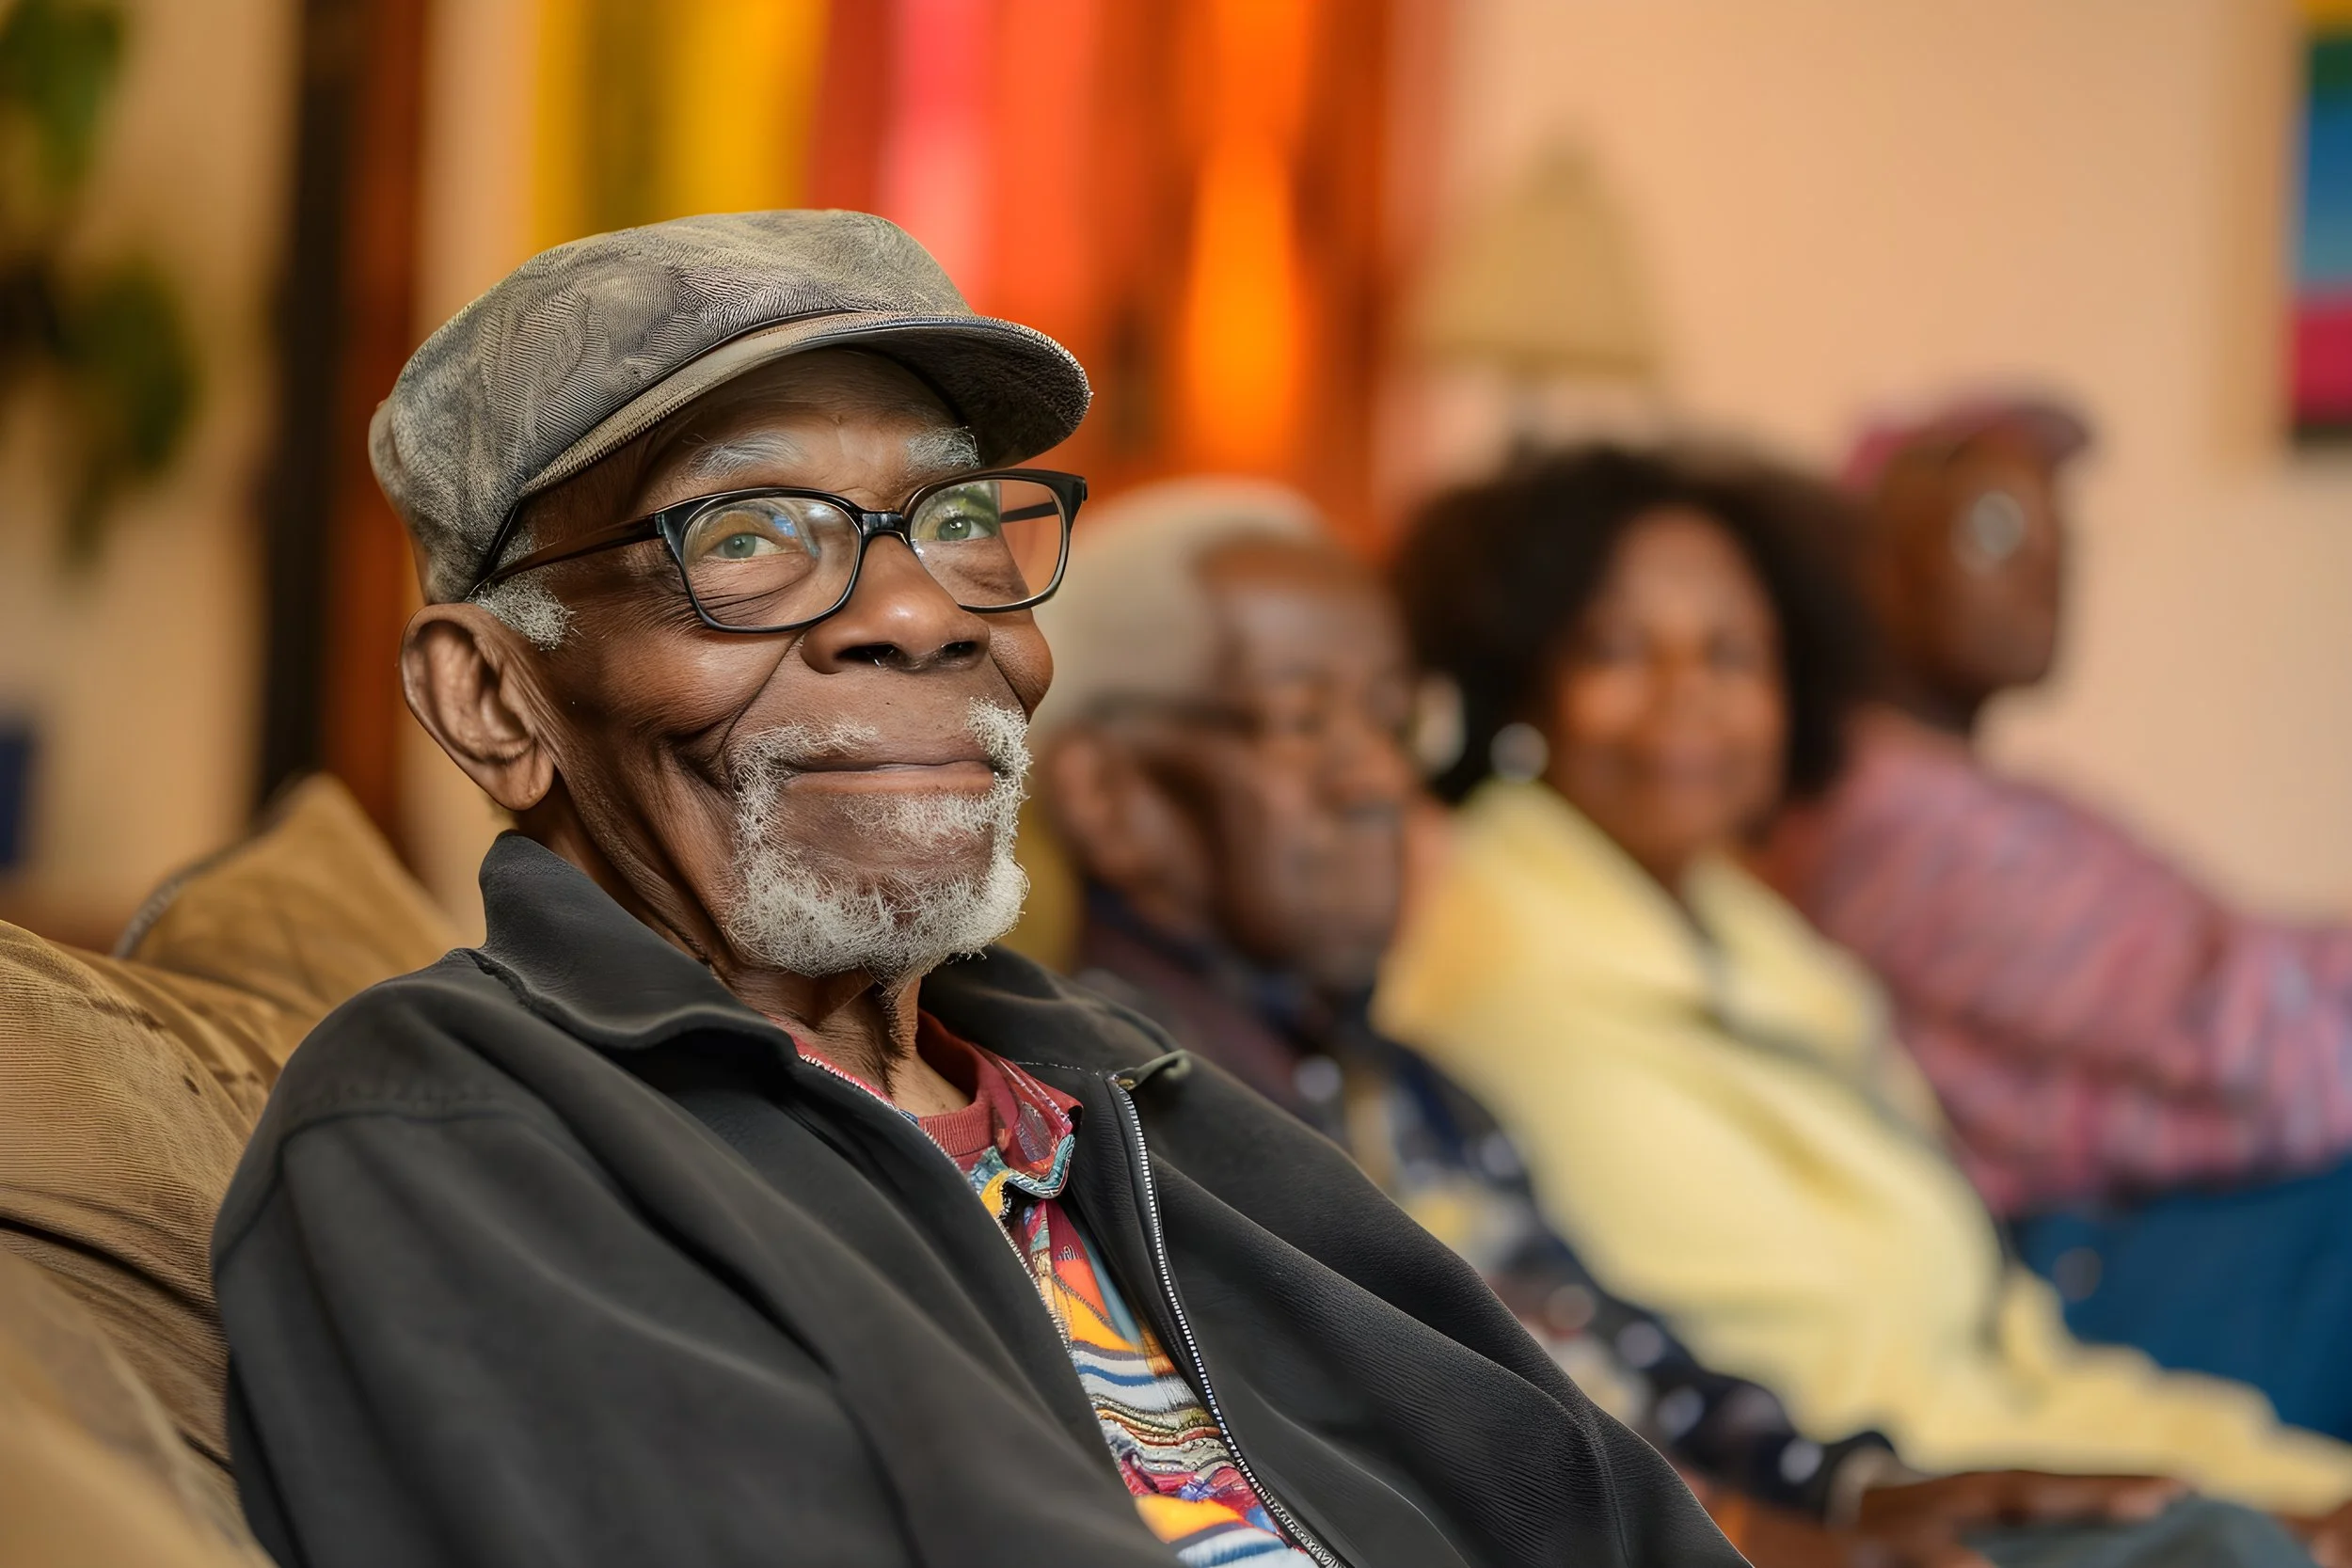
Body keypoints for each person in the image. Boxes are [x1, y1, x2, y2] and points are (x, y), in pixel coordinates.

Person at [206, 213, 1748, 1568]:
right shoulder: (449, 1138)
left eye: (957, 522)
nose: (921, 613)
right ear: (492, 698)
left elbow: (1614, 1516)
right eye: (745, 537)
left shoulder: (1132, 1089)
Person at [1027, 476, 2296, 1568]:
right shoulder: (1123, 1122)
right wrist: (1757, 1526)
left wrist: (1853, 1489)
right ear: (1110, 793)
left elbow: (1615, 1353)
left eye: (1389, 715)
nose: (1377, 776)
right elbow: (1384, 1471)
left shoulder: (1383, 1072)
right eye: (1308, 719)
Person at [1373, 443, 2352, 1544]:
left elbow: (1994, 1339)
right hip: (1882, 1505)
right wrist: (2255, 1502)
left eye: (1732, 653)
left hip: (2020, 1430)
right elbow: (1817, 1379)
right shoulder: (1508, 964)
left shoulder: (1754, 938)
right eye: (1615, 648)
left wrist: (2266, 1472)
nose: (1685, 693)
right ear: (1517, 677)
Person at [1757, 396, 2352, 1436]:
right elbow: (2262, 1044)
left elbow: (2259, 988)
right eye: (1993, 529)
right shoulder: (1899, 829)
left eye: (2060, 534)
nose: (2047, 567)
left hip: (2160, 1228)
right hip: (2074, 1270)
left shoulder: (1989, 799)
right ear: (1870, 567)